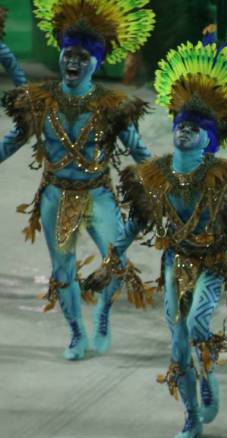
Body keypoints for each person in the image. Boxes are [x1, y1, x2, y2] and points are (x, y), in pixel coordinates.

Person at [86, 30, 227, 438]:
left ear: (209, 137)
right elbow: (135, 224)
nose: (185, 131)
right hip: (175, 263)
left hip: (212, 265)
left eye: (195, 128)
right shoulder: (154, 175)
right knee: (176, 345)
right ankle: (190, 415)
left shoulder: (223, 176)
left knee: (198, 323)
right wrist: (111, 260)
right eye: (181, 125)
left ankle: (207, 373)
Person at [0, 0, 154, 360]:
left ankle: (102, 316)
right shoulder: (40, 102)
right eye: (69, 54)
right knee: (63, 271)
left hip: (98, 194)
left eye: (83, 57)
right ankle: (75, 334)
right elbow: (11, 142)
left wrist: (166, 181)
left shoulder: (112, 105)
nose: (74, 61)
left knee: (115, 262)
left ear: (97, 62)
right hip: (56, 196)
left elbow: (139, 152)